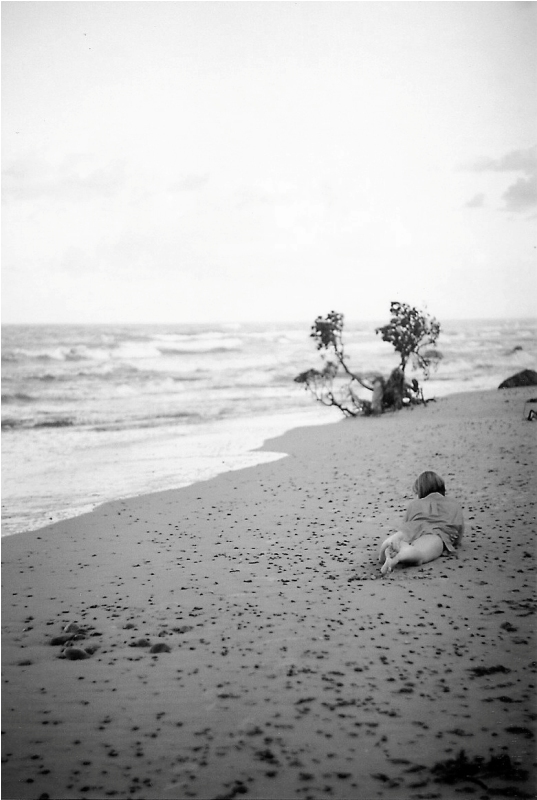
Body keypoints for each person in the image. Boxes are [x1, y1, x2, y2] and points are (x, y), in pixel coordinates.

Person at [378, 471, 464, 575]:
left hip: (411, 528)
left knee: (401, 541)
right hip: (435, 533)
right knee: (420, 554)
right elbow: (459, 533)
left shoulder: (415, 504)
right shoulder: (454, 504)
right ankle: (398, 557)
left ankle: (389, 550)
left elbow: (406, 524)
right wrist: (452, 543)